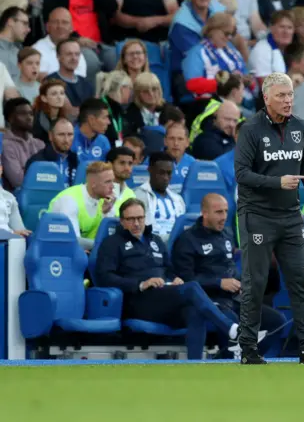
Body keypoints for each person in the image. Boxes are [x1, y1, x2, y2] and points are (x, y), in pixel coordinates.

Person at [235, 72, 304, 365]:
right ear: (266, 97)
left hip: (291, 216)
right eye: (281, 95)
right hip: (257, 215)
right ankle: (248, 349)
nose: (287, 100)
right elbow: (242, 174)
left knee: (300, 282)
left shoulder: (299, 127)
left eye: (290, 94)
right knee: (255, 282)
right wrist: (277, 182)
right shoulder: (251, 129)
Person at [95, 198, 242, 360]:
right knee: (192, 287)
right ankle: (230, 328)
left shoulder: (155, 241)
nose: (136, 223)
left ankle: (196, 365)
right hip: (139, 300)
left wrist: (175, 279)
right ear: (122, 222)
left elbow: (169, 270)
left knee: (195, 311)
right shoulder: (112, 243)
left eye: (140, 218)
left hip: (164, 298)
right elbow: (104, 277)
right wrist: (141, 284)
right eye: (130, 219)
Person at [172, 193, 281, 357]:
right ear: (204, 213)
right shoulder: (187, 240)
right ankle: (230, 360)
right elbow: (187, 281)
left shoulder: (227, 235)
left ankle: (229, 357)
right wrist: (218, 283)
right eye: (218, 212)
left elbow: (230, 269)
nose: (224, 217)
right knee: (232, 321)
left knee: (276, 320)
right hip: (209, 300)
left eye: (225, 211)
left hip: (234, 298)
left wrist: (242, 285)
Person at [48, 161, 117, 251]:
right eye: (108, 182)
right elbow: (73, 241)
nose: (113, 186)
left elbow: (110, 235)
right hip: (56, 249)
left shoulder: (105, 200)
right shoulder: (69, 200)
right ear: (93, 184)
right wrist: (105, 245)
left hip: (86, 251)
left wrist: (106, 213)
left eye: (113, 181)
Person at [134, 151, 186, 242]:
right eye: (161, 173)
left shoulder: (178, 200)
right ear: (150, 170)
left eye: (169, 173)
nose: (166, 178)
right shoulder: (137, 196)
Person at [1, 97, 44, 191]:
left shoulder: (40, 144)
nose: (29, 118)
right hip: (17, 199)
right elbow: (18, 180)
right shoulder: (5, 145)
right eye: (23, 114)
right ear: (10, 119)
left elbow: (51, 176)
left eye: (31, 114)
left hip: (42, 192)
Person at [26, 116, 78, 187]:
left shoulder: (77, 161)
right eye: (61, 135)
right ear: (50, 136)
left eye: (70, 134)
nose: (66, 140)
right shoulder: (37, 162)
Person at [72, 98, 112, 163]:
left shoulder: (103, 141)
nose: (108, 122)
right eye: (104, 118)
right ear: (91, 120)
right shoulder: (69, 138)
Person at [164, 123, 195, 194]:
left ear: (187, 142)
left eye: (180, 139)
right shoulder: (153, 161)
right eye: (172, 138)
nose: (176, 143)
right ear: (165, 141)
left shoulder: (193, 164)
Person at [106, 147, 137, 213]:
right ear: (110, 164)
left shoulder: (131, 194)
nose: (127, 168)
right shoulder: (100, 191)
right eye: (122, 163)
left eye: (130, 164)